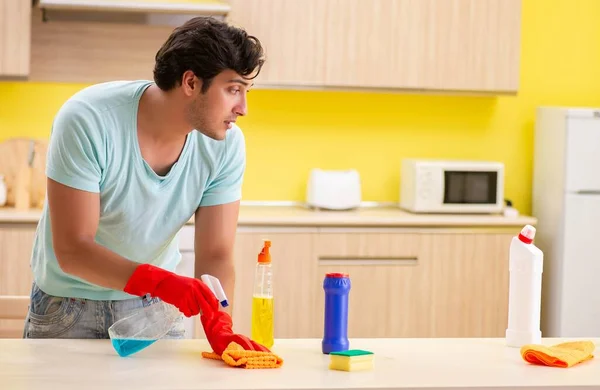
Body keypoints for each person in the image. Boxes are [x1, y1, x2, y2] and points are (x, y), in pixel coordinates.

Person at [22, 16, 268, 354]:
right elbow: (73, 250)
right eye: (233, 89)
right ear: (191, 82)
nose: (243, 108)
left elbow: (216, 253)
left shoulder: (225, 144)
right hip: (67, 308)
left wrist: (219, 323)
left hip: (155, 311)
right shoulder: (88, 119)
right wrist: (163, 283)